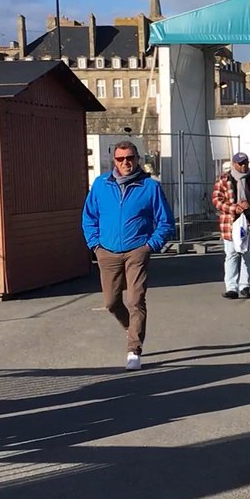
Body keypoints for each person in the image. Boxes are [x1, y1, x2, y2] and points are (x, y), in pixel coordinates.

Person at [82, 140, 176, 371]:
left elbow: (165, 222)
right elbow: (89, 217)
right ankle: (130, 327)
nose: (126, 162)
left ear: (137, 159)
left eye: (130, 158)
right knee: (112, 302)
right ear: (113, 160)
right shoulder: (101, 184)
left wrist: (150, 245)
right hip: (107, 251)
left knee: (136, 300)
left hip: (137, 251)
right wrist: (95, 245)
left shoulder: (149, 187)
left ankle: (134, 349)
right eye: (120, 159)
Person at [212, 151, 250, 299]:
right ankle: (231, 287)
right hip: (230, 223)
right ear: (234, 164)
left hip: (248, 221)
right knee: (231, 254)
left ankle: (244, 286)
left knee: (248, 255)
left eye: (245, 162)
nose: (244, 165)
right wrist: (234, 207)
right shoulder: (224, 179)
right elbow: (216, 200)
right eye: (240, 163)